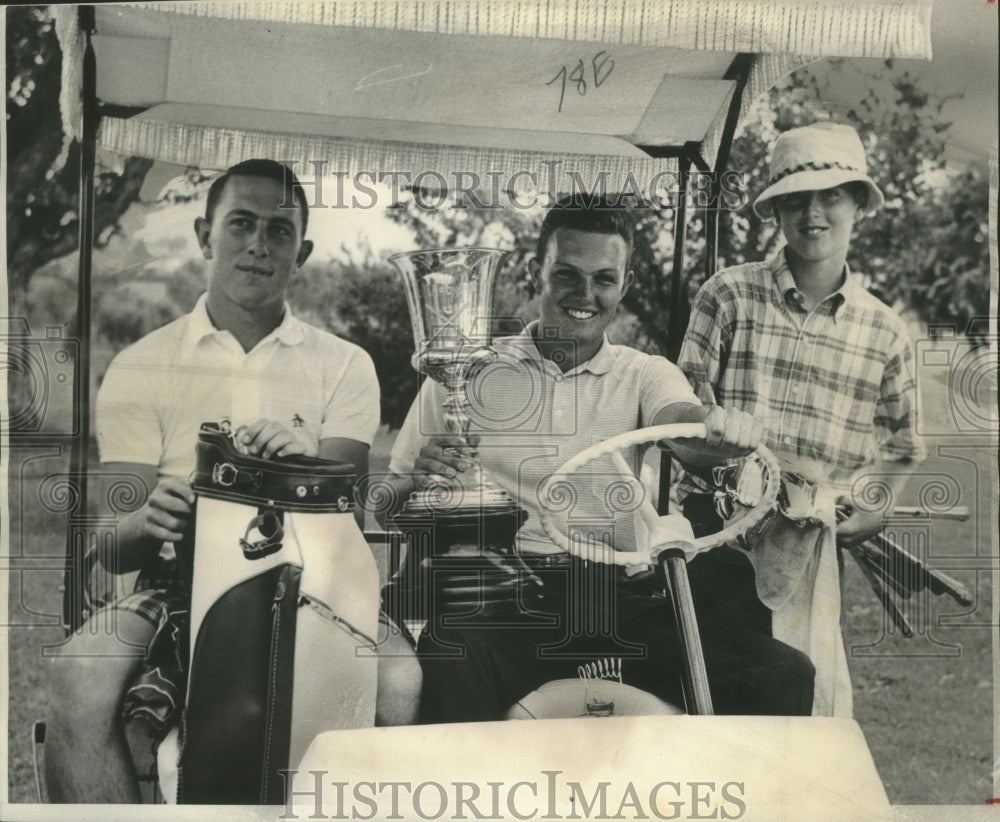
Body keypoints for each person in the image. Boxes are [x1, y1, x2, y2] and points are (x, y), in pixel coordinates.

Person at [45, 159, 420, 803]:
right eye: (240, 223)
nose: (258, 244)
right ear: (203, 234)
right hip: (177, 581)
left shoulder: (344, 364)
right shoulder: (142, 365)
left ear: (300, 252)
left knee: (399, 680)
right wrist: (150, 518)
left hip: (319, 584)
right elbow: (114, 543)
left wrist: (304, 465)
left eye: (279, 230)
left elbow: (350, 520)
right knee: (79, 673)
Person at [384, 195, 816, 723]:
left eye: (604, 279)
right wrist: (421, 481)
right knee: (453, 650)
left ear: (625, 286)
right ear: (535, 272)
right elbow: (386, 504)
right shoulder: (467, 370)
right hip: (509, 598)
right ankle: (466, 802)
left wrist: (721, 430)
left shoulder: (644, 373)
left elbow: (683, 425)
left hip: (623, 596)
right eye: (567, 275)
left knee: (782, 673)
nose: (585, 295)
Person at [677, 122, 926, 717]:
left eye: (831, 196)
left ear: (859, 205)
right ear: (776, 211)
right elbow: (680, 415)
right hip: (715, 537)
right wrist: (724, 449)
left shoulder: (884, 330)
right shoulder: (729, 294)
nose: (813, 213)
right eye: (795, 199)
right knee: (713, 703)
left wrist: (874, 504)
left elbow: (903, 445)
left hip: (810, 550)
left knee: (801, 702)